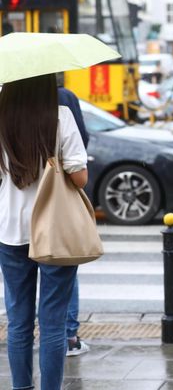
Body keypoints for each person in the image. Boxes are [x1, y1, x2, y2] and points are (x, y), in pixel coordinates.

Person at [0, 74, 88, 390]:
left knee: (18, 323)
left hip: (10, 231)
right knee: (53, 325)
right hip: (54, 230)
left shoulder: (1, 116)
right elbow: (80, 177)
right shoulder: (60, 116)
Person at [58, 85, 90, 357]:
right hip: (55, 214)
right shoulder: (62, 107)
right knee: (64, 276)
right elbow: (79, 174)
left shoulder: (5, 106)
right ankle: (69, 337)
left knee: (18, 318)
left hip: (10, 222)